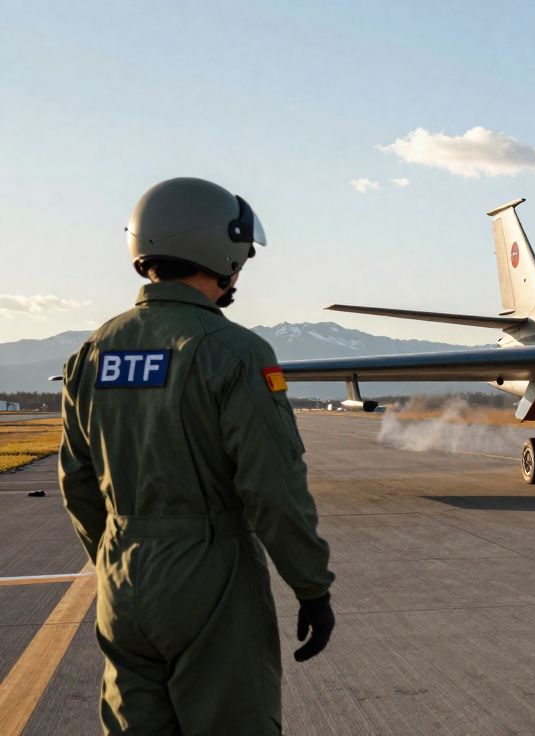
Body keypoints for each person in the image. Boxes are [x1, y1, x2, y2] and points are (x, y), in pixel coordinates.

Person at [59, 177, 335, 734]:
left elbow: (78, 481)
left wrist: (118, 555)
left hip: (122, 578)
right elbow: (273, 487)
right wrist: (311, 585)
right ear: (221, 248)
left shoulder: (93, 351)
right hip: (209, 578)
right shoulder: (234, 352)